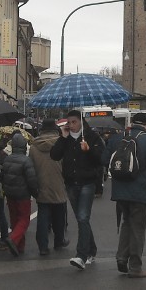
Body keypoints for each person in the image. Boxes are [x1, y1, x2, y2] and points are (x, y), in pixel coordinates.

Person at [111, 112, 146, 278]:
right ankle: (135, 267)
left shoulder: (118, 139)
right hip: (140, 192)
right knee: (138, 229)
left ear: (131, 124)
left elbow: (105, 159)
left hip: (120, 191)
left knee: (126, 223)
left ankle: (121, 257)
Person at [50, 109, 105, 270]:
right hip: (71, 183)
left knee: (82, 217)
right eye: (69, 122)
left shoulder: (92, 137)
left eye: (74, 122)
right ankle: (92, 250)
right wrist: (63, 138)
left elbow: (101, 159)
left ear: (81, 121)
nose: (72, 125)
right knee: (82, 220)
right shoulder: (65, 138)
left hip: (87, 182)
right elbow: (54, 155)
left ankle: (81, 255)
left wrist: (89, 150)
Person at [30, 118, 69, 256]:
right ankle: (59, 241)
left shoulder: (34, 146)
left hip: (41, 185)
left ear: (41, 130)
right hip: (59, 183)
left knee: (43, 216)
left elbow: (31, 167)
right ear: (55, 129)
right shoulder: (62, 143)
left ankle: (43, 247)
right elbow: (67, 164)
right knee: (59, 215)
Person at [1, 131, 38, 256]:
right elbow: (32, 180)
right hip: (23, 195)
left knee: (14, 219)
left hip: (10, 194)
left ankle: (19, 246)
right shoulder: (26, 161)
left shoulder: (7, 159)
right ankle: (13, 239)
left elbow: (2, 176)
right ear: (24, 146)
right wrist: (36, 193)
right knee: (24, 220)